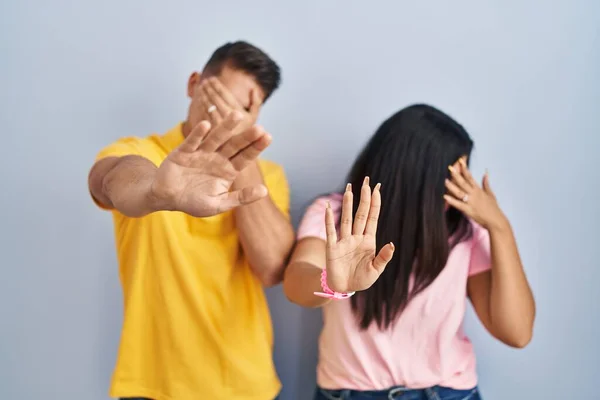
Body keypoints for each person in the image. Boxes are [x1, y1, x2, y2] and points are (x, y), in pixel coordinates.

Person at [283, 104, 536, 400]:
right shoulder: (337, 216)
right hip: (349, 393)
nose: (458, 193)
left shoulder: (463, 231)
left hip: (446, 393)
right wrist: (333, 283)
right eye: (451, 180)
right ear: (413, 177)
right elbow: (295, 285)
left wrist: (499, 227)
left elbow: (516, 333)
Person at [88, 41, 294, 400]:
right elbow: (109, 180)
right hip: (153, 386)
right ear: (193, 83)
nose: (229, 119)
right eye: (222, 100)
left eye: (243, 111)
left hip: (247, 385)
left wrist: (241, 156)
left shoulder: (267, 176)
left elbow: (273, 268)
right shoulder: (140, 153)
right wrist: (155, 191)